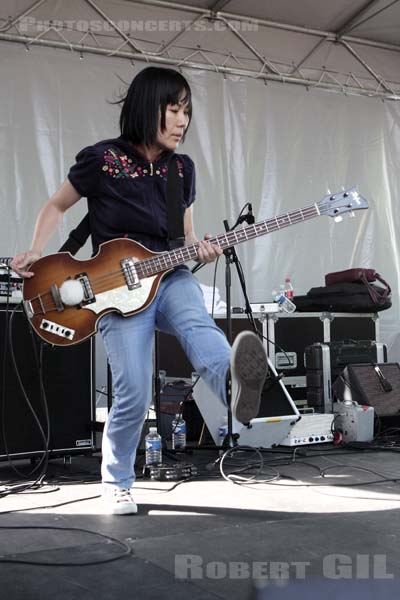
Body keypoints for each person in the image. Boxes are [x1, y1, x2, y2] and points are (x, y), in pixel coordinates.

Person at [11, 66, 268, 515]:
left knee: (195, 320)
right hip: (114, 291)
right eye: (174, 109)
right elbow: (56, 204)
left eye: (187, 111)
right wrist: (35, 249)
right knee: (133, 387)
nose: (183, 120)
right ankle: (116, 482)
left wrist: (202, 250)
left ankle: (231, 381)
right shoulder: (101, 159)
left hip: (169, 276)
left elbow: (185, 238)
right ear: (150, 107)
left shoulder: (181, 170)